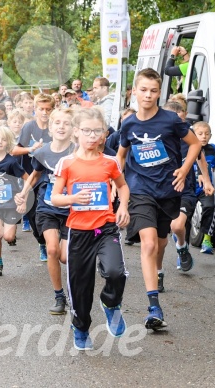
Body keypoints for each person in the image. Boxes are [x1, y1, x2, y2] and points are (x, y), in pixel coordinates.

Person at [116, 68, 201, 330]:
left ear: (159, 92)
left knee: (162, 242)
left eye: (153, 91)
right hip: (140, 189)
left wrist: (185, 170)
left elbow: (195, 144)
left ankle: (159, 270)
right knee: (149, 243)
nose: (148, 95)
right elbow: (120, 155)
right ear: (134, 91)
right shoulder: (129, 124)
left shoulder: (171, 120)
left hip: (168, 190)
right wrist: (118, 187)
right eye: (143, 90)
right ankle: (154, 306)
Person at [51, 107, 130, 350]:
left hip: (106, 228)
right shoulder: (67, 163)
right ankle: (81, 326)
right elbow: (55, 197)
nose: (92, 136)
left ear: (104, 135)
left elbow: (123, 186)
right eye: (87, 131)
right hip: (78, 231)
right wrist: (73, 198)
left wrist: (123, 207)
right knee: (80, 286)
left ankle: (110, 302)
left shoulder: (110, 161)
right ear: (76, 132)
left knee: (116, 272)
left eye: (98, 131)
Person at [17, 108, 75, 314]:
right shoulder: (42, 152)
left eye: (66, 123)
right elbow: (34, 174)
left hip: (72, 209)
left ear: (73, 128)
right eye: (57, 123)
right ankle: (59, 296)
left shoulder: (78, 151)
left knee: (65, 257)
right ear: (50, 128)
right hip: (47, 206)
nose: (61, 126)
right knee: (52, 249)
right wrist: (24, 193)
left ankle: (73, 290)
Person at [161, 101, 213, 292]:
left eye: (182, 122)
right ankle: (157, 274)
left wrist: (206, 181)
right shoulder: (158, 138)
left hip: (186, 190)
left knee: (177, 225)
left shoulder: (189, 139)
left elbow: (200, 157)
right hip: (162, 191)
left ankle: (182, 248)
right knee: (159, 239)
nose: (179, 127)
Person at [11, 93, 54, 261]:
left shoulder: (55, 127)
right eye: (41, 109)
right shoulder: (29, 127)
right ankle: (42, 243)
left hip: (50, 176)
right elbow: (14, 150)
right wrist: (31, 149)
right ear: (35, 109)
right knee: (34, 216)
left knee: (49, 213)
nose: (44, 112)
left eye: (48, 109)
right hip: (30, 176)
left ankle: (54, 243)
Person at [0, 126, 27, 276]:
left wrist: (23, 198)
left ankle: (11, 236)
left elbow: (28, 179)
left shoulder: (11, 162)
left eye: (3, 139)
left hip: (11, 203)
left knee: (8, 236)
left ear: (8, 143)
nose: (0, 142)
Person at [192, 121, 215, 254]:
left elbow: (213, 165)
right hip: (191, 186)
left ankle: (206, 239)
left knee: (210, 207)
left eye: (207, 134)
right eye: (200, 134)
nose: (204, 137)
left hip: (206, 188)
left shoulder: (212, 149)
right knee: (186, 213)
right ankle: (181, 241)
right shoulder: (189, 148)